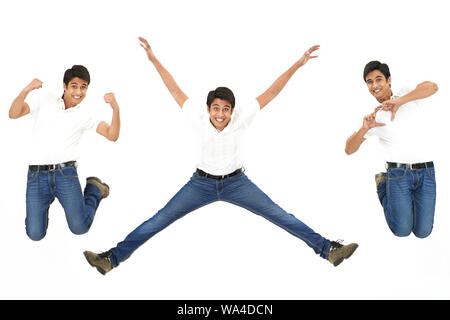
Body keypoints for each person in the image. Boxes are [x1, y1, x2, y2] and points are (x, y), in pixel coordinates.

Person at [83, 37, 358, 275]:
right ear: (208, 108)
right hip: (200, 184)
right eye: (216, 108)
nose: (220, 114)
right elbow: (173, 88)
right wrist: (154, 60)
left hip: (237, 184)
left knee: (280, 215)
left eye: (226, 109)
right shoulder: (197, 116)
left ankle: (327, 249)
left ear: (232, 110)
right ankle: (111, 258)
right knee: (159, 219)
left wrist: (298, 64)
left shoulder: (242, 117)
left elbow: (272, 91)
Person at [9, 65, 121, 241]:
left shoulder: (86, 114)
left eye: (83, 87)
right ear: (65, 86)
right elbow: (13, 114)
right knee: (35, 234)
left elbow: (112, 135)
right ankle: (39, 211)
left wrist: (116, 109)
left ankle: (94, 189)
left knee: (80, 227)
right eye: (74, 86)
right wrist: (26, 90)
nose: (79, 91)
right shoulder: (45, 99)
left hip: (65, 175)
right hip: (36, 176)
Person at [345, 60, 438, 238]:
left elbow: (432, 87)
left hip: (426, 172)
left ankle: (403, 204)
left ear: (389, 80)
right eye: (369, 82)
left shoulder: (406, 93)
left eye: (378, 79)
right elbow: (349, 149)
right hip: (398, 174)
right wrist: (364, 129)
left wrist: (399, 102)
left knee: (423, 232)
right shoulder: (375, 117)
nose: (374, 85)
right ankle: (383, 186)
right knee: (402, 230)